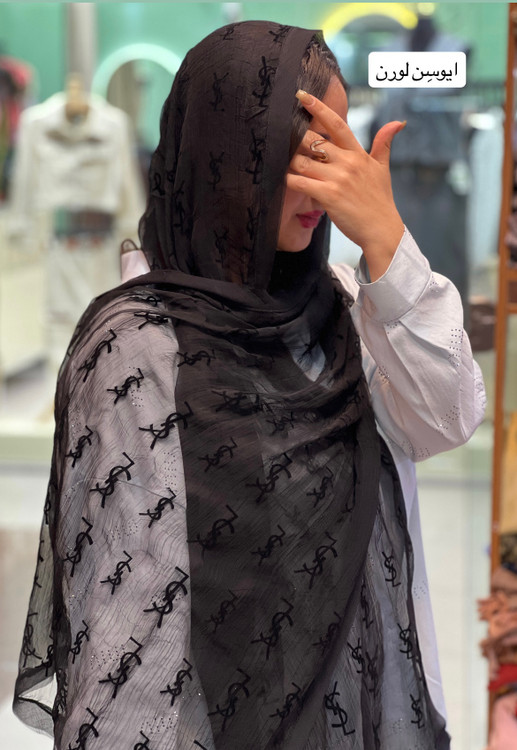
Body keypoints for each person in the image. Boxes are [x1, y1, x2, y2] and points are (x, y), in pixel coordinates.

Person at [13, 21, 485, 749]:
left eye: (333, 148)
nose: (319, 178)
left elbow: (447, 417)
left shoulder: (342, 309)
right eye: (297, 145)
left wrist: (389, 245)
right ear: (230, 151)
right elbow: (130, 619)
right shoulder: (138, 342)